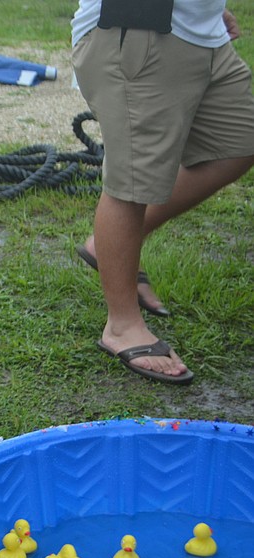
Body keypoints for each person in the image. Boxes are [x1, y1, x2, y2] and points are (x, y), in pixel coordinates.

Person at [70, 1, 254, 384]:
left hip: (198, 31)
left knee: (239, 143)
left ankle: (104, 247)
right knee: (132, 182)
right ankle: (121, 326)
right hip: (139, 27)